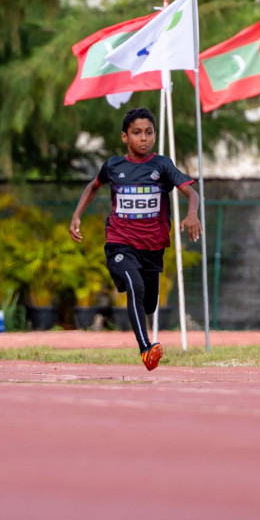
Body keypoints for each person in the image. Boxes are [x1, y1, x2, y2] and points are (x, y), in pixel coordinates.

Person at [68, 106, 201, 371]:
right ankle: (146, 349)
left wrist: (193, 214)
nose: (143, 138)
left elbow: (192, 193)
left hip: (152, 247)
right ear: (124, 137)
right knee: (134, 284)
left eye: (149, 133)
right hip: (120, 241)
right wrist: (76, 216)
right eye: (137, 133)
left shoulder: (162, 165)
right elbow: (92, 186)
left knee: (149, 301)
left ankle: (145, 332)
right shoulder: (114, 166)